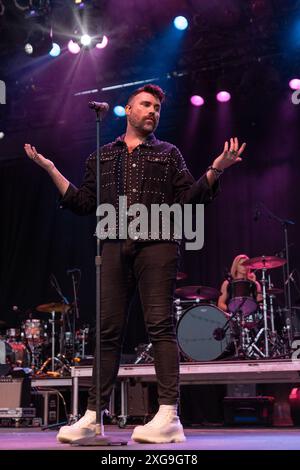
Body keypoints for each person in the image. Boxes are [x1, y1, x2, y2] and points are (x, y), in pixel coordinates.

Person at [24, 84, 246, 444]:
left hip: (158, 243)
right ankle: (93, 418)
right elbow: (83, 203)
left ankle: (169, 416)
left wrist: (216, 170)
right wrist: (50, 169)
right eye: (146, 104)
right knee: (107, 331)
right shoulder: (102, 156)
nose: (152, 111)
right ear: (127, 110)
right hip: (113, 245)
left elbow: (189, 198)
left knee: (159, 325)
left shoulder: (168, 153)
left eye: (157, 107)